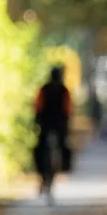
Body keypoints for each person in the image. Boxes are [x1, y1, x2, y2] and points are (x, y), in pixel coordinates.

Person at [34, 66, 72, 204]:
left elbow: (37, 107)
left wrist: (37, 122)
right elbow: (68, 110)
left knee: (38, 150)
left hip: (46, 125)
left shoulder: (44, 89)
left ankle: (41, 174)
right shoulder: (64, 90)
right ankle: (64, 168)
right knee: (64, 148)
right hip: (58, 126)